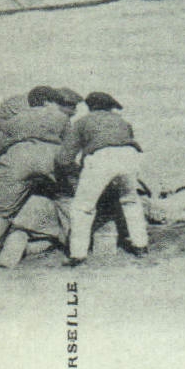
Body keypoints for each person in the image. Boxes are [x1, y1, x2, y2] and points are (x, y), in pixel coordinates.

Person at [0, 86, 80, 270]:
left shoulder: (13, 121)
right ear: (46, 102)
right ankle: (76, 249)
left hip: (18, 160)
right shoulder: (61, 118)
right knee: (66, 202)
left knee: (2, 211)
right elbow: (69, 148)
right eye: (55, 102)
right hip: (52, 159)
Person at [56, 92, 148, 265]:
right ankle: (141, 245)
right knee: (131, 202)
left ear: (90, 107)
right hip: (130, 155)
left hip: (101, 158)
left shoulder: (82, 122)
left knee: (82, 207)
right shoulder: (122, 122)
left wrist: (78, 173)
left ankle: (77, 255)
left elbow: (63, 159)